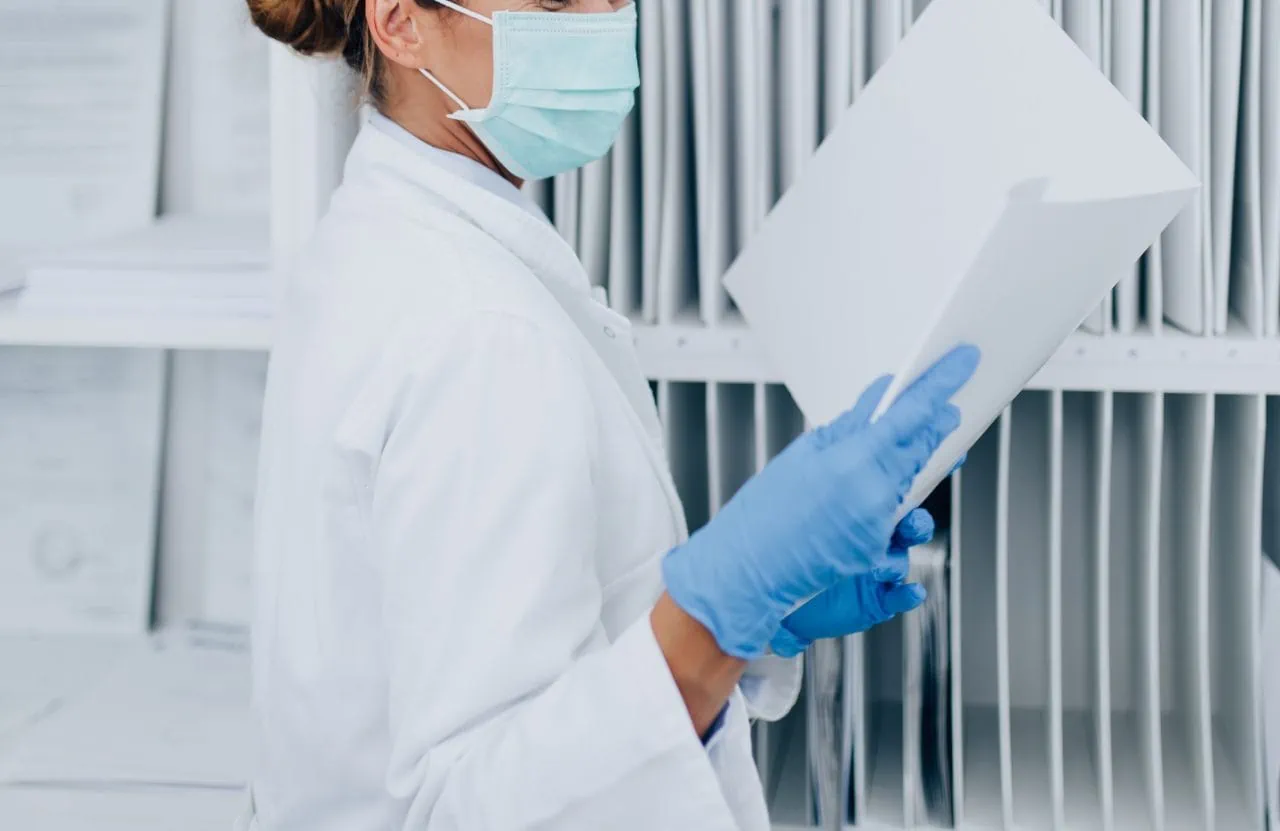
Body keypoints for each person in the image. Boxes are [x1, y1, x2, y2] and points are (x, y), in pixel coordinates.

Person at [243, 1, 979, 829]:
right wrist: (714, 612)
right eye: (556, 1)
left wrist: (763, 617)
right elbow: (475, 804)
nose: (605, 17)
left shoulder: (394, 239)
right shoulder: (475, 331)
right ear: (402, 26)